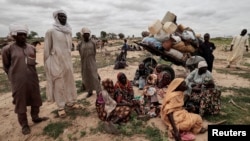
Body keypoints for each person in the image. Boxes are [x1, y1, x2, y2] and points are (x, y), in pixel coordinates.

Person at [2, 24, 48, 135]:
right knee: (20, 102)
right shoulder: (7, 49)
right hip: (18, 81)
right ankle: (24, 124)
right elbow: (6, 65)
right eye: (20, 34)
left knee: (35, 99)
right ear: (14, 36)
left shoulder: (31, 48)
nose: (23, 37)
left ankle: (35, 117)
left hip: (32, 78)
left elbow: (32, 62)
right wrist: (14, 76)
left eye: (24, 34)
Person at [44, 10, 80, 118]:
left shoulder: (68, 31)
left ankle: (71, 102)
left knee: (69, 82)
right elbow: (47, 49)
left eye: (65, 17)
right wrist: (48, 65)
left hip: (68, 62)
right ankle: (60, 107)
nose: (64, 19)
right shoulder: (51, 31)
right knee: (59, 84)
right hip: (56, 62)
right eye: (61, 17)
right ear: (56, 18)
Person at [77, 27, 102, 98]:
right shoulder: (80, 43)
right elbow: (80, 52)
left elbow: (94, 52)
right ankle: (89, 91)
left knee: (94, 76)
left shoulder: (93, 42)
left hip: (92, 61)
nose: (87, 35)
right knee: (86, 77)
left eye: (88, 34)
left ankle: (98, 91)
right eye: (85, 34)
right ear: (82, 35)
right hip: (84, 62)